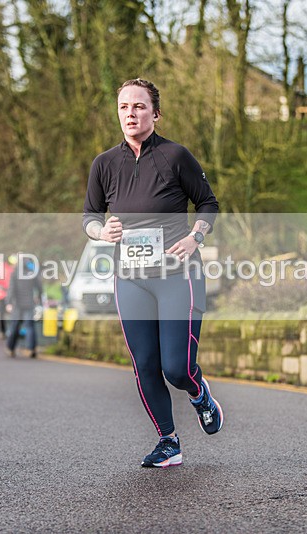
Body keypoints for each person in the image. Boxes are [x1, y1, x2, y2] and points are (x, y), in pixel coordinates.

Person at [83, 78, 222, 468]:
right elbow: (89, 216)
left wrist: (196, 236)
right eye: (124, 106)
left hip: (179, 274)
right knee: (144, 363)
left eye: (139, 106)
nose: (131, 113)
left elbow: (209, 204)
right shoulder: (104, 164)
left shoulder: (176, 156)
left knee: (176, 368)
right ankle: (168, 441)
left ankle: (200, 395)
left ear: (155, 114)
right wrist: (100, 231)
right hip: (131, 278)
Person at [5, 255, 43, 358]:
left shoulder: (15, 273)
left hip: (17, 304)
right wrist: (39, 297)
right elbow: (39, 287)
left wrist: (8, 302)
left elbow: (11, 289)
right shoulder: (31, 274)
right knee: (30, 326)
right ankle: (31, 349)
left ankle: (10, 348)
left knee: (14, 327)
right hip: (29, 303)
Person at [0, 254, 16, 339]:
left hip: (0, 294)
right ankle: (11, 331)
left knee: (1, 314)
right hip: (8, 295)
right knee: (12, 313)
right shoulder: (11, 270)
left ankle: (2, 332)